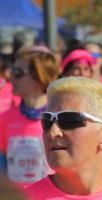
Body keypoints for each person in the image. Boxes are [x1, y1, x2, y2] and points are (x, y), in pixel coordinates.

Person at [0, 48, 60, 187]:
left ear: (39, 76)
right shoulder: (4, 118)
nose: (11, 77)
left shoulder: (60, 119)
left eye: (18, 72)